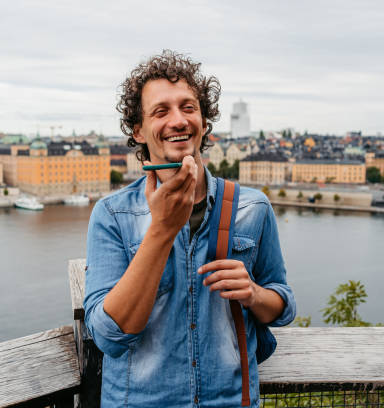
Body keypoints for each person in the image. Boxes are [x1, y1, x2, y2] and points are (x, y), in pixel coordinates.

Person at [84, 50, 296, 407]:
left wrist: (254, 294)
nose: (178, 120)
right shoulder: (112, 215)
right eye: (161, 111)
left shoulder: (251, 209)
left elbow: (283, 305)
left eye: (188, 107)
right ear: (138, 130)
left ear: (204, 120)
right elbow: (109, 336)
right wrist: (162, 230)